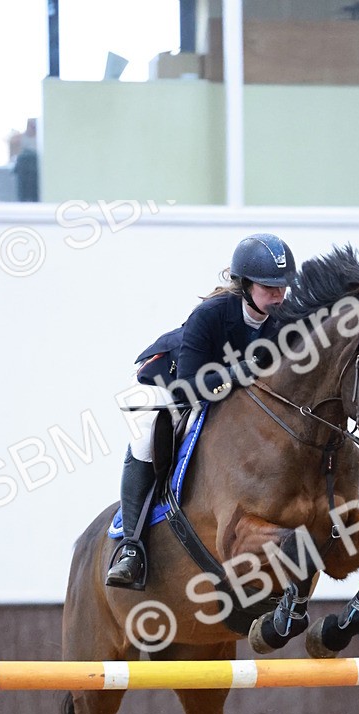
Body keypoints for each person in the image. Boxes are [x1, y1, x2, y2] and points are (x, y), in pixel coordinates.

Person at [107, 233, 296, 589]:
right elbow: (191, 385)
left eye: (283, 286)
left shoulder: (283, 321)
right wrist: (237, 373)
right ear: (244, 285)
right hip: (167, 384)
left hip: (223, 392)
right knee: (147, 436)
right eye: (269, 287)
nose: (278, 294)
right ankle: (132, 547)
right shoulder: (209, 315)